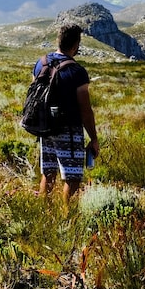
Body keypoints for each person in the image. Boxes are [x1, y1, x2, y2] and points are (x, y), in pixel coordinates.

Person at [33, 23, 98, 203]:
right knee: (72, 177)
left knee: (48, 172)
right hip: (68, 129)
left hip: (45, 127)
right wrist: (93, 138)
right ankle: (67, 215)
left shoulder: (41, 64)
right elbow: (85, 110)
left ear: (58, 40)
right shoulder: (77, 71)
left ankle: (43, 212)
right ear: (76, 45)